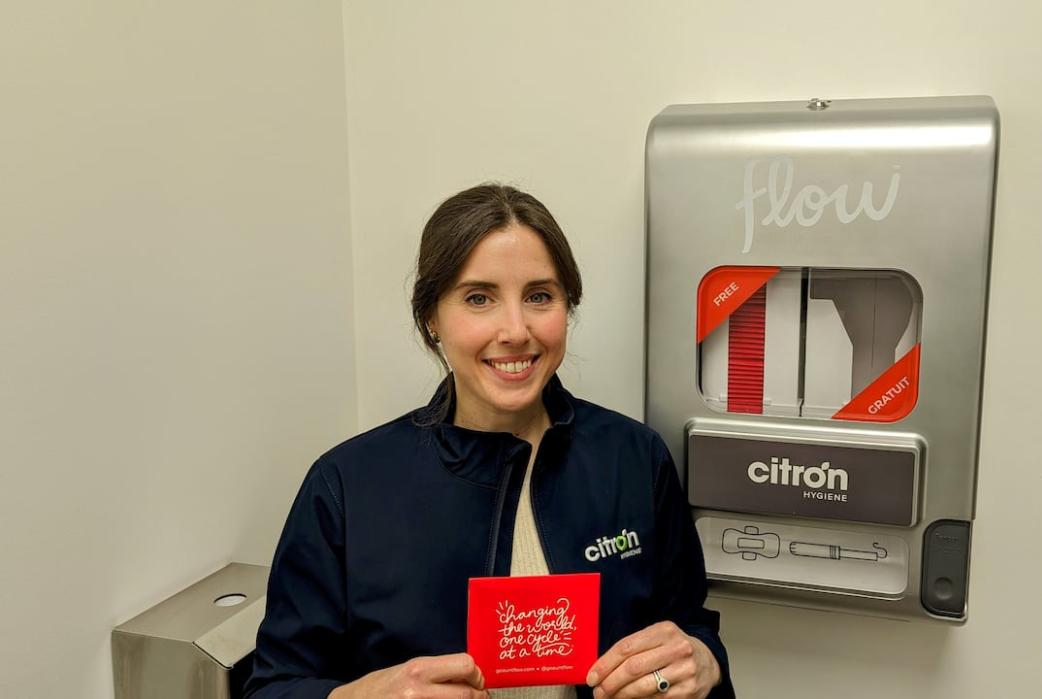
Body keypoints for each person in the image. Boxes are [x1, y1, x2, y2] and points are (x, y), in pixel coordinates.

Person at [244, 184, 734, 699]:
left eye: (539, 296)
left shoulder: (633, 458)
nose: (516, 330)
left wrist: (704, 660)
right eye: (479, 298)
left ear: (568, 307)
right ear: (432, 319)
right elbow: (272, 686)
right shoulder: (346, 485)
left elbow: (690, 629)